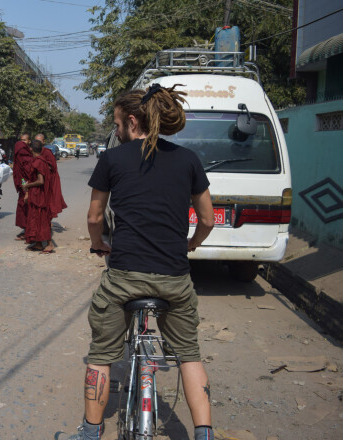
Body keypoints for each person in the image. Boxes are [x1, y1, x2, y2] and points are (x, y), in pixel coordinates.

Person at [62, 84, 215, 440]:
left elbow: (94, 217)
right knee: (189, 355)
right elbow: (206, 220)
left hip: (124, 278)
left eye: (117, 124)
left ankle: (90, 433)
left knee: (101, 354)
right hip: (175, 278)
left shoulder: (113, 159)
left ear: (132, 122)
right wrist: (190, 244)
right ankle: (205, 434)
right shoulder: (188, 159)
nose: (116, 132)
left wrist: (99, 244)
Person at [22, 140, 52, 253]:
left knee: (42, 219)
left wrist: (27, 185)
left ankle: (49, 244)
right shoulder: (41, 160)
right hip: (38, 194)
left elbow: (40, 181)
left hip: (39, 195)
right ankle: (39, 243)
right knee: (36, 218)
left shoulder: (38, 162)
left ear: (31, 149)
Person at [13, 133, 32, 240]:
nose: (22, 143)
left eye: (24, 140)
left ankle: (29, 232)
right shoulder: (22, 150)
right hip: (23, 182)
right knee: (22, 206)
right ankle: (26, 229)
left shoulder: (28, 152)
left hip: (28, 183)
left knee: (26, 206)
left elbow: (28, 170)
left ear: (29, 141)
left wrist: (27, 186)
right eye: (21, 140)